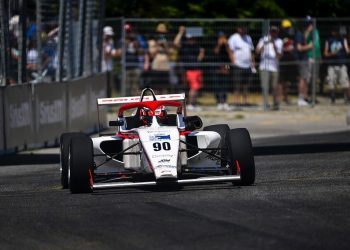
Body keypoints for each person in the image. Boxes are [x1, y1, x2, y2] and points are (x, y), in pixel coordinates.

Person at [175, 26, 205, 111]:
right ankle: (191, 104)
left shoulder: (197, 45)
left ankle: (192, 104)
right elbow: (176, 43)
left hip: (196, 68)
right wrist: (180, 32)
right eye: (190, 38)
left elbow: (200, 55)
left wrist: (200, 57)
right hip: (189, 69)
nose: (192, 39)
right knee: (193, 87)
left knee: (195, 87)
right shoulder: (184, 45)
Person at [256, 26, 283, 110]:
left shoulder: (279, 41)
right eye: (272, 31)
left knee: (274, 87)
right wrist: (265, 44)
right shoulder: (263, 39)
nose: (273, 33)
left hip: (274, 67)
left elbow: (279, 56)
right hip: (264, 67)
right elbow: (257, 52)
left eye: (275, 31)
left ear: (277, 32)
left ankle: (275, 104)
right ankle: (265, 103)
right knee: (265, 86)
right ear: (269, 32)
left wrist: (274, 45)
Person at [228, 26, 255, 106]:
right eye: (241, 28)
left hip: (248, 65)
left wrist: (253, 62)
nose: (243, 30)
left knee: (246, 85)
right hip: (238, 65)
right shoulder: (234, 38)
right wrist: (233, 61)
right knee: (237, 84)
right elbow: (230, 50)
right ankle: (236, 101)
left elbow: (251, 50)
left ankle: (245, 101)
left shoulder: (248, 38)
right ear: (238, 29)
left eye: (244, 28)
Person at [324, 27, 350, 103]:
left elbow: (347, 51)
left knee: (345, 82)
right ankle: (332, 97)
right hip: (332, 64)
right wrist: (332, 54)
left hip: (341, 64)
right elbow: (325, 53)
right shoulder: (328, 40)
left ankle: (347, 97)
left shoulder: (343, 40)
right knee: (331, 81)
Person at [143, 23, 170, 93]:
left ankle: (163, 103)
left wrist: (165, 45)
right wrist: (158, 45)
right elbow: (151, 54)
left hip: (165, 67)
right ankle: (155, 103)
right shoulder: (152, 42)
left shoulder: (167, 42)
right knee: (156, 88)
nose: (162, 34)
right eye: (160, 33)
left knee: (164, 88)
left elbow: (170, 53)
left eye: (163, 33)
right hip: (156, 67)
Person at [295, 22, 313, 106]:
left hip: (305, 59)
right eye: (310, 26)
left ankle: (304, 98)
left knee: (305, 79)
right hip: (302, 60)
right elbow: (299, 48)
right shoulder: (299, 34)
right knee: (302, 79)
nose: (312, 27)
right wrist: (309, 46)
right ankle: (300, 98)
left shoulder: (304, 34)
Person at [213, 31, 232, 111]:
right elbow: (215, 52)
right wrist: (219, 44)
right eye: (221, 37)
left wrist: (226, 45)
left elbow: (230, 54)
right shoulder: (215, 44)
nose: (222, 39)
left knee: (225, 85)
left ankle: (225, 102)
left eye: (223, 37)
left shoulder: (227, 44)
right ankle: (219, 102)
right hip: (217, 66)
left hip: (226, 65)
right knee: (218, 85)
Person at [279, 19, 297, 104]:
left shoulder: (292, 36)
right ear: (282, 27)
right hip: (282, 60)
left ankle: (286, 97)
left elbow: (293, 46)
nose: (287, 29)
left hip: (290, 60)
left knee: (287, 81)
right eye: (286, 27)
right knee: (281, 80)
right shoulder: (279, 36)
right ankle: (281, 97)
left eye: (288, 27)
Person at [102, 26, 120, 97]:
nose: (109, 37)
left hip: (109, 67)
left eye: (110, 35)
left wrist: (117, 52)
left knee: (109, 86)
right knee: (102, 86)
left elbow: (114, 53)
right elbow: (105, 55)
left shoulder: (110, 43)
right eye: (107, 35)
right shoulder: (100, 43)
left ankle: (108, 103)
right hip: (101, 68)